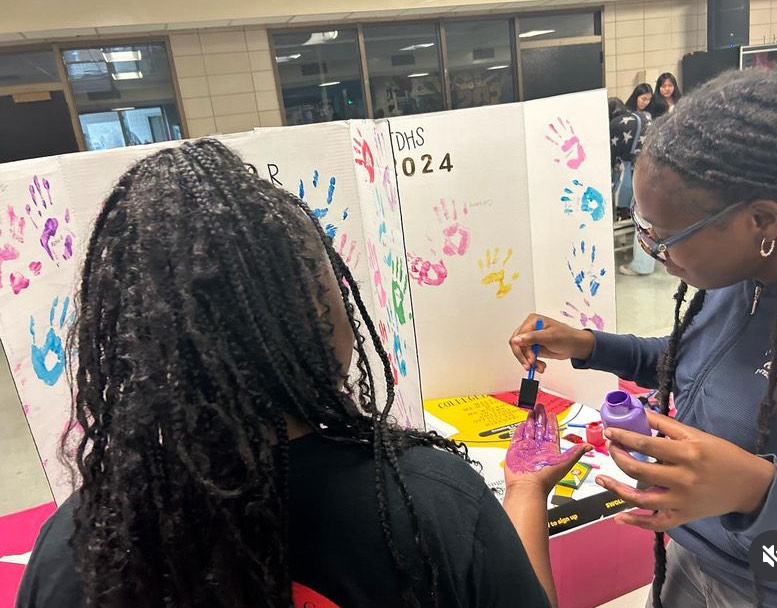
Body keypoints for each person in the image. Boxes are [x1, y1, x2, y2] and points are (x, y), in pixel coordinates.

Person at [16, 140, 589, 608]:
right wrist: (525, 490)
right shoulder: (428, 504)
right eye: (327, 285)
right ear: (318, 321)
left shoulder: (76, 545)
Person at [510, 70, 777, 608]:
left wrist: (760, 493)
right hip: (689, 560)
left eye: (665, 238)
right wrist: (591, 345)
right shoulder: (744, 276)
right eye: (642, 229)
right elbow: (692, 358)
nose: (654, 252)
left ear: (763, 221)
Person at [608, 97, 656, 276]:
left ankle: (642, 265)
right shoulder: (644, 115)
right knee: (653, 216)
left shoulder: (615, 125)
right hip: (662, 166)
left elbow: (610, 158)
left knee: (642, 217)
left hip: (643, 169)